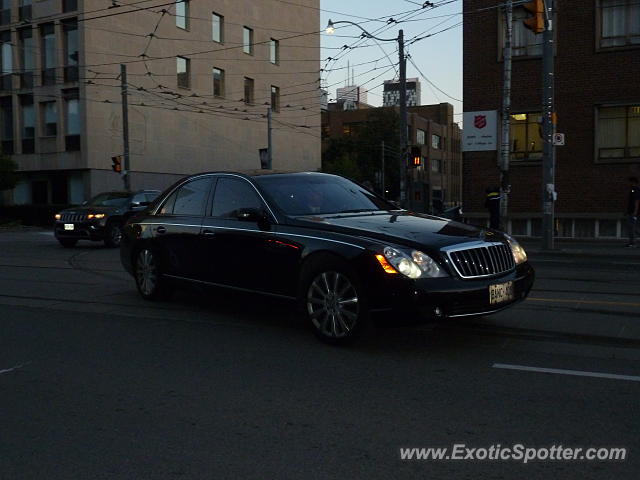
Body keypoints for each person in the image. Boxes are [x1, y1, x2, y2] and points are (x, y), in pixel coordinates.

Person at [626, 177, 640, 247]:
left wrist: (635, 212)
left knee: (633, 228)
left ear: (633, 182)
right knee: (633, 227)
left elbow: (637, 201)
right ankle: (632, 242)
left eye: (629, 182)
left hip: (633, 213)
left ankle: (632, 242)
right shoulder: (632, 190)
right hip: (631, 212)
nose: (628, 183)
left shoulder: (635, 190)